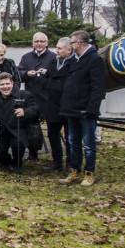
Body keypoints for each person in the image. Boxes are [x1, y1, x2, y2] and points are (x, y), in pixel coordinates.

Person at [59, 30, 106, 187]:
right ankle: (74, 171)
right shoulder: (74, 60)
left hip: (86, 110)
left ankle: (89, 174)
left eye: (72, 43)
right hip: (71, 108)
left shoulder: (94, 60)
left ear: (79, 43)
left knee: (88, 145)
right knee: (73, 142)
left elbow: (98, 88)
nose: (70, 45)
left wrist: (92, 109)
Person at [0, 73, 39, 170]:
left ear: (12, 83)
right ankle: (6, 161)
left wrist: (24, 112)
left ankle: (17, 162)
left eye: (7, 84)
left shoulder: (23, 95)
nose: (5, 87)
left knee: (18, 144)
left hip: (17, 130)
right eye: (2, 84)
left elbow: (36, 109)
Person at [18, 32, 57, 163]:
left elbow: (57, 77)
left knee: (52, 129)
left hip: (48, 98)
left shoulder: (53, 57)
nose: (39, 44)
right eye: (36, 41)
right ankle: (32, 152)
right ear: (33, 43)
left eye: (42, 41)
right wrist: (27, 74)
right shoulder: (26, 57)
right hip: (31, 98)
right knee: (31, 126)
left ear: (47, 43)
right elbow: (18, 73)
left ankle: (55, 155)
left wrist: (48, 73)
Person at [43, 37, 74, 173]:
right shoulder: (54, 61)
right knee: (53, 135)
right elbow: (49, 77)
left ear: (69, 50)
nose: (57, 51)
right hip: (53, 105)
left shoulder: (74, 63)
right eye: (57, 48)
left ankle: (70, 164)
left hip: (68, 105)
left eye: (60, 48)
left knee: (70, 137)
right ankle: (57, 161)